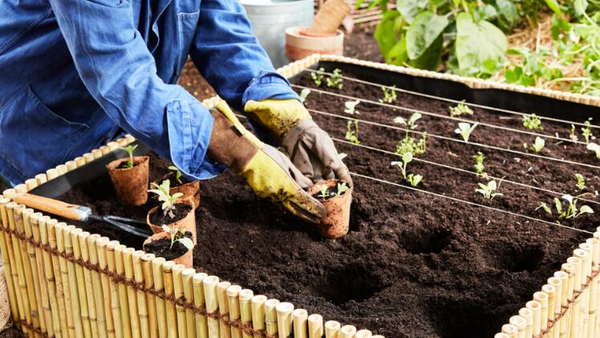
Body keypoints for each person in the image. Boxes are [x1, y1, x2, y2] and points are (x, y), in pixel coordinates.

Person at [0, 0, 351, 223]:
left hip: (117, 116)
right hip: (38, 119)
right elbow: (121, 73)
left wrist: (285, 112)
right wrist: (236, 147)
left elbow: (223, 28)